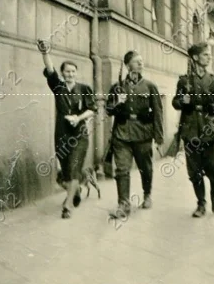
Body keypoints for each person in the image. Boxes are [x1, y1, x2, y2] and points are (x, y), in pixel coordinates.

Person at [171, 42, 214, 217]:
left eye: (209, 55)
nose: (209, 57)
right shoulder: (184, 80)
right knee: (194, 170)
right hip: (191, 129)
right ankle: (201, 204)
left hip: (210, 130)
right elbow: (175, 102)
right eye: (205, 55)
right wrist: (182, 102)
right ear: (195, 58)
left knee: (213, 168)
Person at [37, 39, 97, 219]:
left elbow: (92, 110)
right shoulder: (58, 87)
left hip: (79, 135)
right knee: (66, 171)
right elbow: (50, 70)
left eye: (73, 72)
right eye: (67, 72)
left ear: (76, 73)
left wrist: (78, 117)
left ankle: (67, 205)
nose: (70, 74)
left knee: (74, 167)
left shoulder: (84, 89)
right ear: (63, 74)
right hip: (62, 135)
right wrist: (45, 53)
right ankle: (75, 190)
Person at [106, 51, 164, 218]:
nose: (141, 64)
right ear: (127, 65)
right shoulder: (117, 87)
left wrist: (159, 137)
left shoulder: (150, 86)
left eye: (141, 61)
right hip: (122, 133)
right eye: (136, 61)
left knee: (145, 168)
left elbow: (158, 113)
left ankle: (147, 195)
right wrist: (118, 102)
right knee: (122, 169)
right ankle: (123, 204)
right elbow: (109, 110)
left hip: (143, 134)